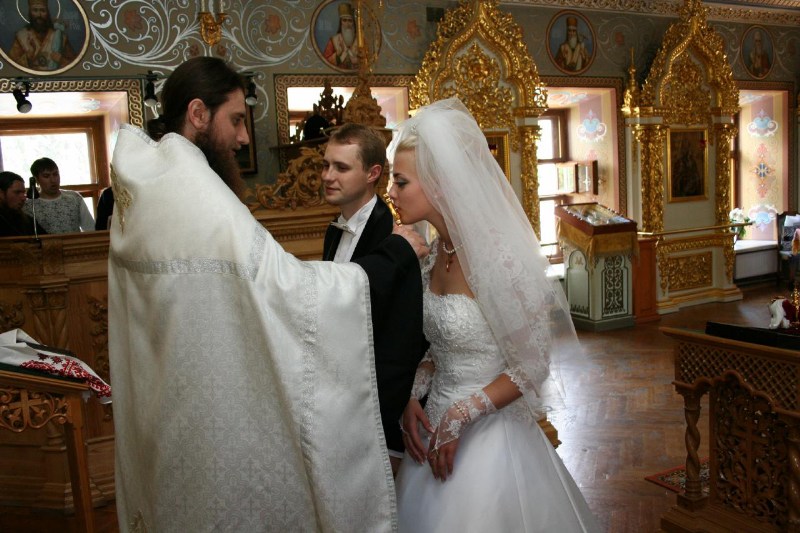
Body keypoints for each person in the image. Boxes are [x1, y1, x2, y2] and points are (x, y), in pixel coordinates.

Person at [108, 56, 427, 532]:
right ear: (198, 114)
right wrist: (397, 253)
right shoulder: (193, 190)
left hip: (168, 406)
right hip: (206, 411)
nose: (243, 138)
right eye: (236, 120)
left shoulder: (154, 182)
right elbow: (290, 290)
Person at [387, 98, 600, 532]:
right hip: (434, 429)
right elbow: (441, 348)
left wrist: (461, 415)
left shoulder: (498, 262)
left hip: (492, 438)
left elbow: (532, 364)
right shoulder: (435, 256)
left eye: (400, 181)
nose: (391, 192)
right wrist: (412, 396)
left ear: (438, 185)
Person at [321, 123, 427, 475]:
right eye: (326, 165)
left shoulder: (394, 236)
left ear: (373, 174)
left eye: (341, 167)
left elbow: (401, 336)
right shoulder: (334, 230)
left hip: (378, 408)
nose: (327, 176)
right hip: (340, 398)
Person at [22, 158, 95, 233]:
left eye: (55, 174)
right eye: (46, 176)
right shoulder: (29, 205)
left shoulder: (74, 198)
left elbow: (90, 228)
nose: (53, 180)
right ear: (36, 179)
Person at [8, 0, 76, 71]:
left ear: (47, 13)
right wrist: (28, 57)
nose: (39, 15)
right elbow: (11, 66)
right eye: (35, 10)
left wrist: (61, 60)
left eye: (43, 10)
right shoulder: (22, 36)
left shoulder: (60, 36)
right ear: (30, 13)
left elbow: (74, 66)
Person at [0, 171, 47, 237]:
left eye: (23, 192)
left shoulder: (27, 220)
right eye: (17, 192)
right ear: (1, 193)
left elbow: (47, 239)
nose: (24, 198)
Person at [323, 2, 359, 69]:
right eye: (344, 20)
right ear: (341, 22)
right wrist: (337, 55)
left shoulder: (360, 40)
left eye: (350, 21)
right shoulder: (333, 41)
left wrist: (357, 59)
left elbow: (368, 58)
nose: (347, 24)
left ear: (353, 23)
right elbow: (326, 61)